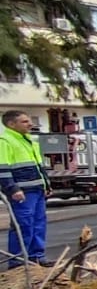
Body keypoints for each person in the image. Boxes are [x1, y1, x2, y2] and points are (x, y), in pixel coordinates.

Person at [0, 110, 50, 268]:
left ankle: (37, 257)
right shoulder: (5, 141)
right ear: (11, 124)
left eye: (29, 121)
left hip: (36, 189)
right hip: (22, 192)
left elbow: (38, 166)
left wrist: (46, 184)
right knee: (23, 226)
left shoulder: (29, 141)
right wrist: (12, 189)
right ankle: (18, 262)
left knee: (38, 224)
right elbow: (3, 168)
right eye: (25, 122)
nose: (30, 124)